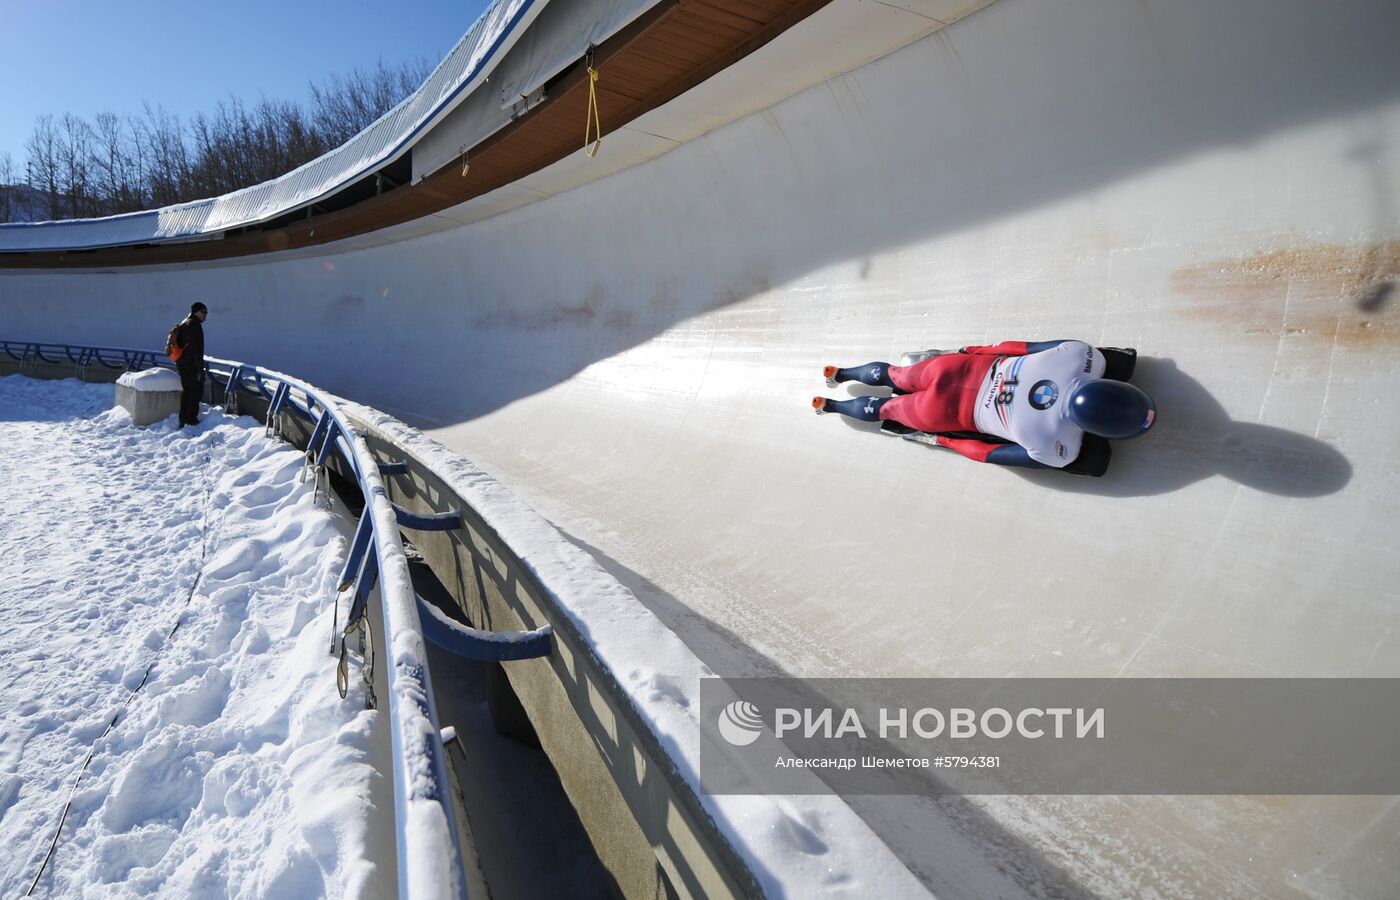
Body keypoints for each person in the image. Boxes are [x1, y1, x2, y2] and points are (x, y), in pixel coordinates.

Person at [813, 340, 1154, 473]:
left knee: (895, 373)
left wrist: (973, 350)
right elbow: (985, 453)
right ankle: (831, 406)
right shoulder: (1059, 447)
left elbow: (1016, 347)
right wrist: (945, 440)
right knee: (887, 410)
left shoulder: (1081, 355)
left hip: (954, 369)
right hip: (945, 413)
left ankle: (840, 372)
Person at [174, 302, 208, 427]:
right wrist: (200, 368)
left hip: (183, 363)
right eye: (203, 312)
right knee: (195, 390)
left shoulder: (185, 323)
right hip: (190, 365)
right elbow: (196, 349)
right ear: (196, 312)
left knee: (187, 391)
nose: (205, 315)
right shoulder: (194, 326)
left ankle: (183, 419)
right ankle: (190, 419)